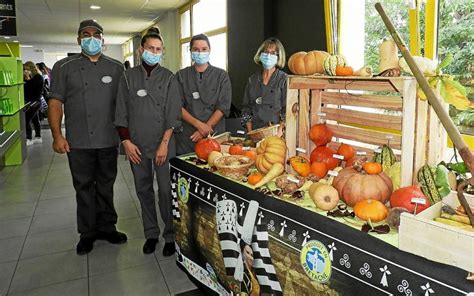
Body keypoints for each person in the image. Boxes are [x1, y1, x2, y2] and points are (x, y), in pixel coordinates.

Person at [48, 19, 127, 255]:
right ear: (78, 39)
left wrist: (126, 137)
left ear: (102, 40)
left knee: (106, 185)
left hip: (107, 138)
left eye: (96, 35)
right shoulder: (63, 67)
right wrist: (56, 135)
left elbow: (123, 105)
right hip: (78, 141)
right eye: (86, 34)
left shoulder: (116, 68)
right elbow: (55, 102)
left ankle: (107, 227)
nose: (91, 38)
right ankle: (87, 232)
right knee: (83, 186)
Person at [115, 27, 181, 256]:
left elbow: (173, 114)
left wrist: (164, 142)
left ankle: (170, 235)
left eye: (158, 49)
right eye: (150, 48)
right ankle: (151, 234)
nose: (154, 52)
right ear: (141, 49)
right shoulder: (127, 77)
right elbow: (121, 113)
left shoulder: (170, 77)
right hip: (137, 145)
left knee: (165, 191)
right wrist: (126, 142)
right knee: (143, 190)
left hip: (164, 144)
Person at [173, 34, 232, 155]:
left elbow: (223, 107)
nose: (200, 52)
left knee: (214, 169)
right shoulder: (181, 76)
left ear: (210, 50)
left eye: (204, 49)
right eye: (196, 49)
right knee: (187, 170)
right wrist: (199, 126)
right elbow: (177, 106)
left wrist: (205, 129)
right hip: (189, 136)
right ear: (190, 51)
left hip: (214, 135)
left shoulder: (221, 76)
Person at [241, 38, 287, 132]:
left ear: (279, 57)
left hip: (277, 133)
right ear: (260, 54)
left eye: (273, 53)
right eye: (265, 52)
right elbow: (246, 109)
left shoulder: (284, 79)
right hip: (255, 132)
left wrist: (279, 132)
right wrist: (250, 133)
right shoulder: (252, 80)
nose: (268, 56)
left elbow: (287, 110)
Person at [23, 61, 44, 145]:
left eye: (27, 69)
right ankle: (38, 137)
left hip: (35, 102)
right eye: (24, 69)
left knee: (26, 119)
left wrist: (27, 78)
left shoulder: (38, 77)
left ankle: (29, 138)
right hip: (32, 101)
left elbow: (30, 88)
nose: (25, 71)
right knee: (35, 119)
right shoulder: (34, 77)